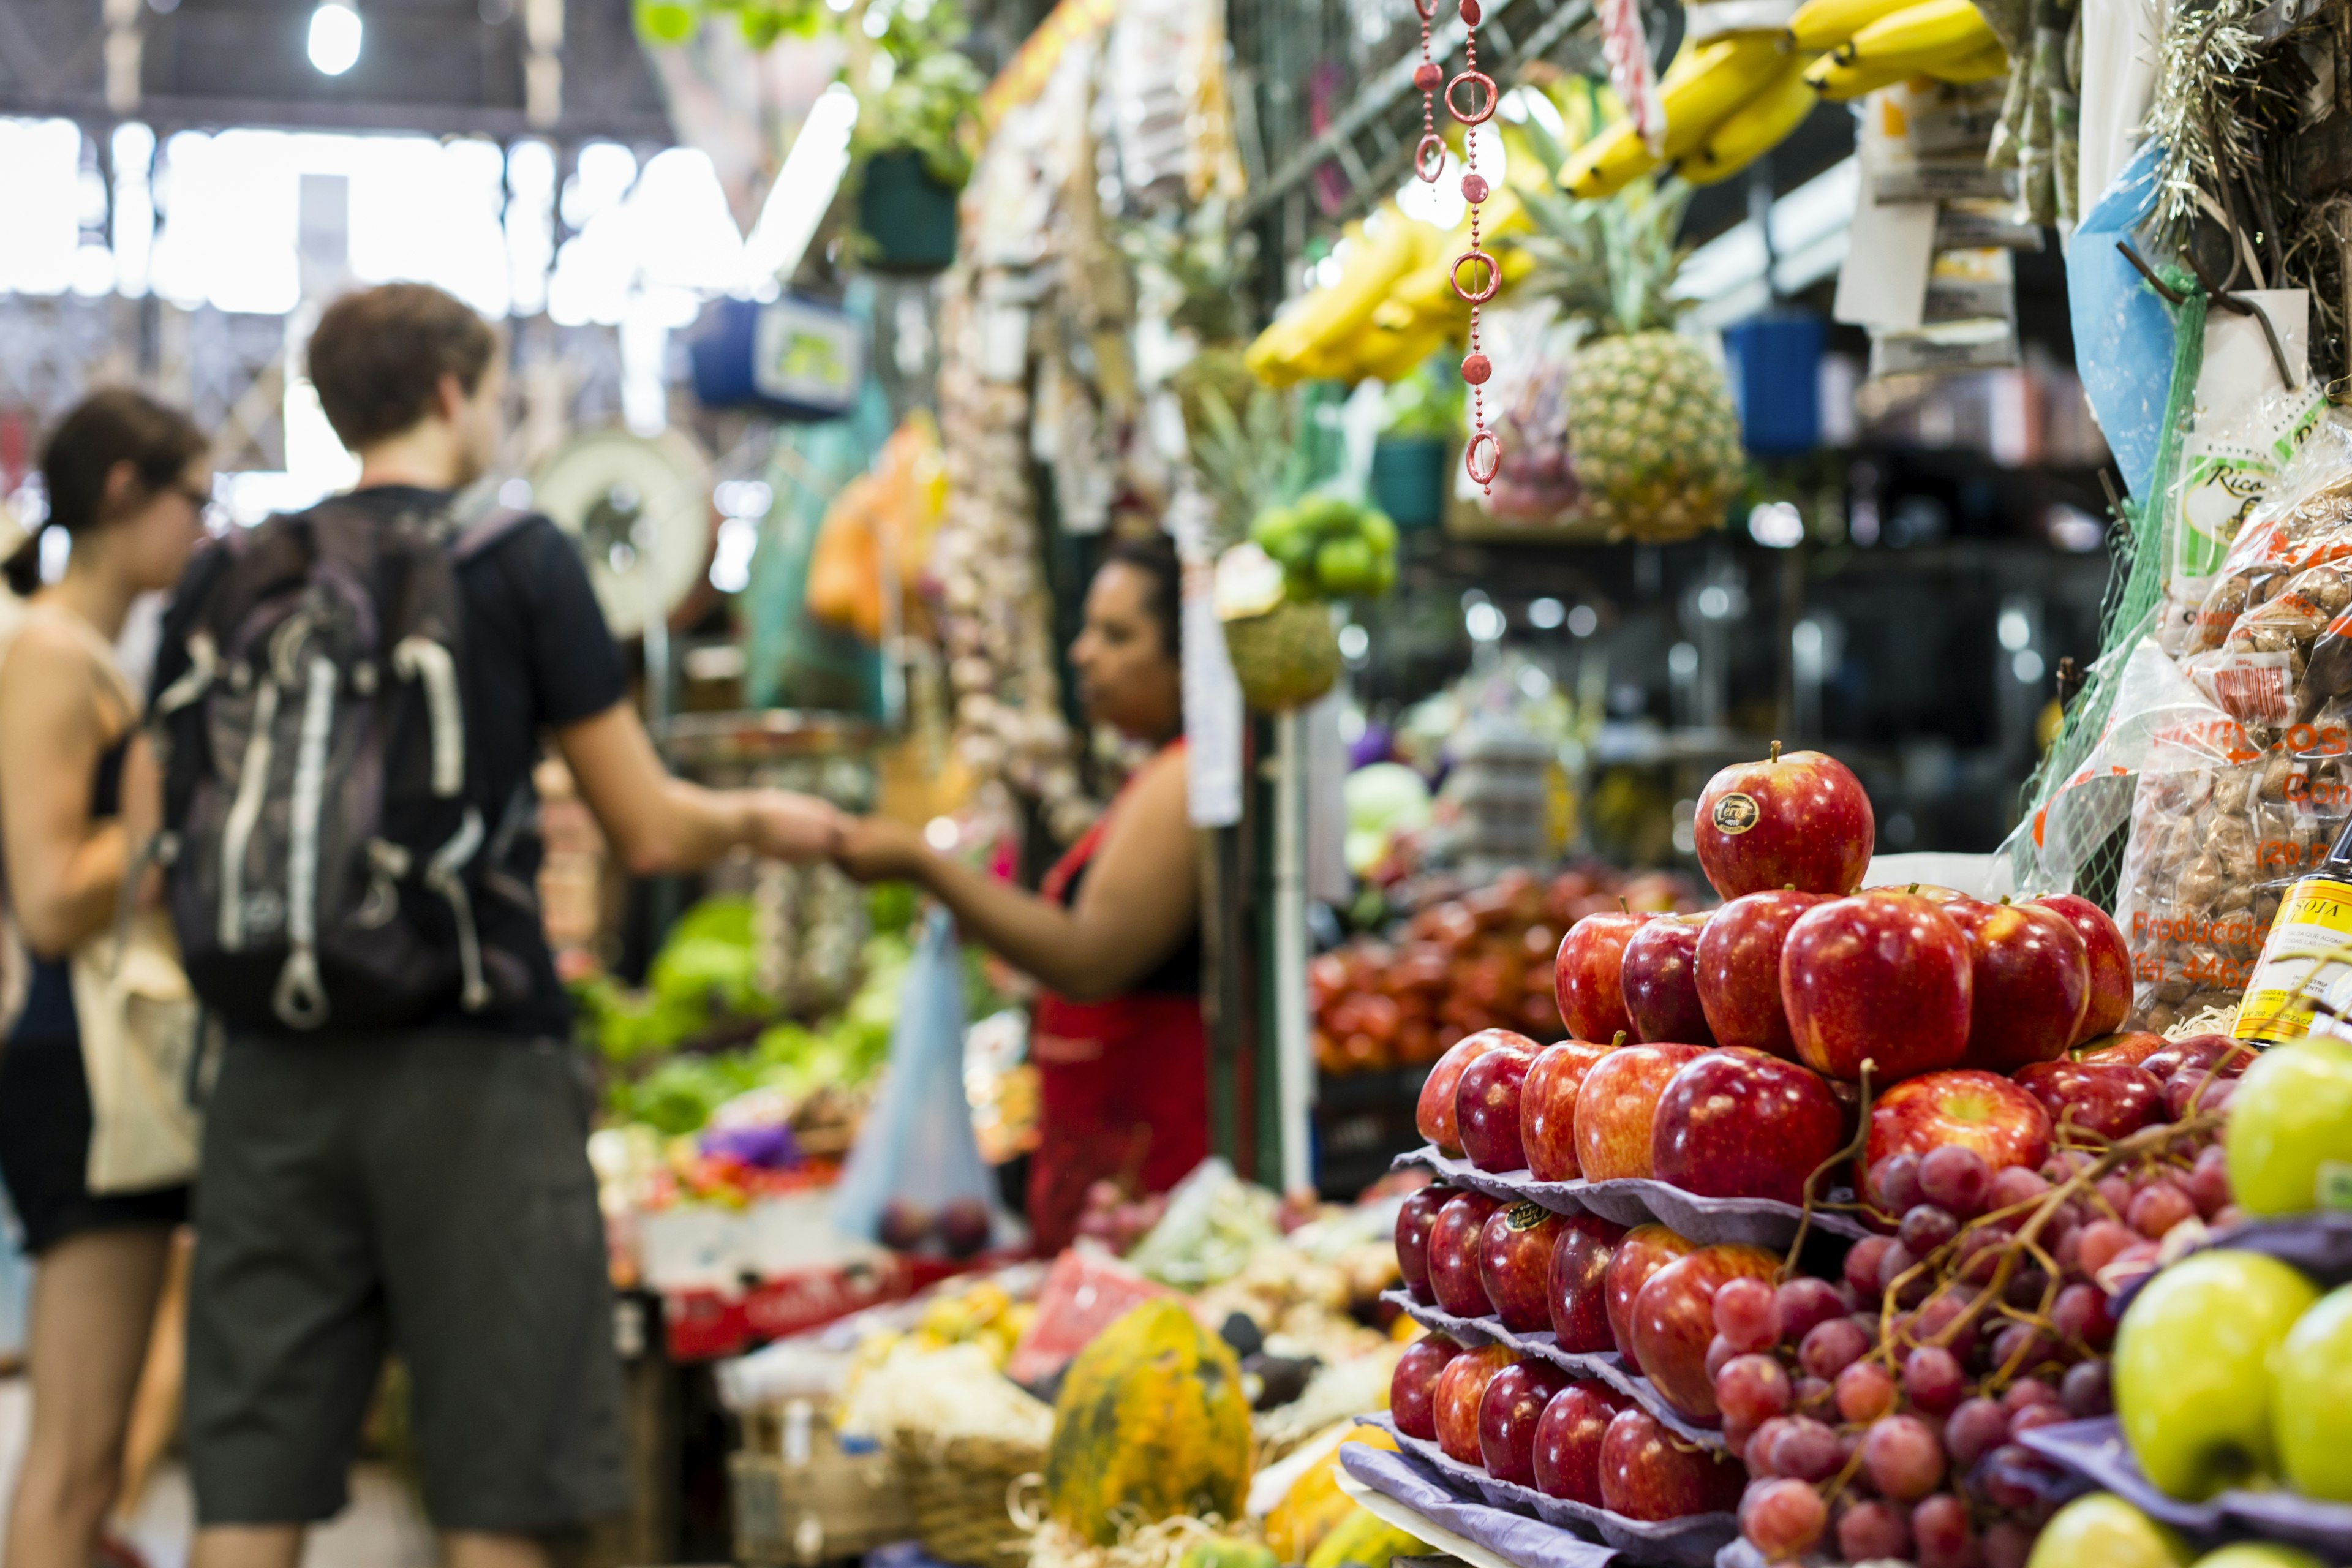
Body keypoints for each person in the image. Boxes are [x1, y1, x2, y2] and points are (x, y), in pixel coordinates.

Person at [160, 283, 848, 1568]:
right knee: (499, 1485)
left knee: (246, 1489)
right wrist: (761, 814)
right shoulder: (520, 559)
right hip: (473, 1069)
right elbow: (645, 826)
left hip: (268, 1067)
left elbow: (177, 834)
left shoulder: (228, 574)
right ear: (448, 393)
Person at [835, 534, 1205, 1253]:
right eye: (1091, 629)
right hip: (1118, 1156)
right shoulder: (1159, 772)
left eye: (1117, 634)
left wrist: (923, 863)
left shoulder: (1183, 777)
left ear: (1185, 657)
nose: (1083, 653)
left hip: (1150, 1158)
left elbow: (1089, 956)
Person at [0, 388, 212, 1568]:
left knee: (88, 1473)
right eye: (193, 499)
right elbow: (43, 893)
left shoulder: (88, 654)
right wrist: (157, 826)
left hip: (93, 1063)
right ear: (125, 493)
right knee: (72, 1463)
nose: (201, 528)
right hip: (76, 1066)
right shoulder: (48, 654)